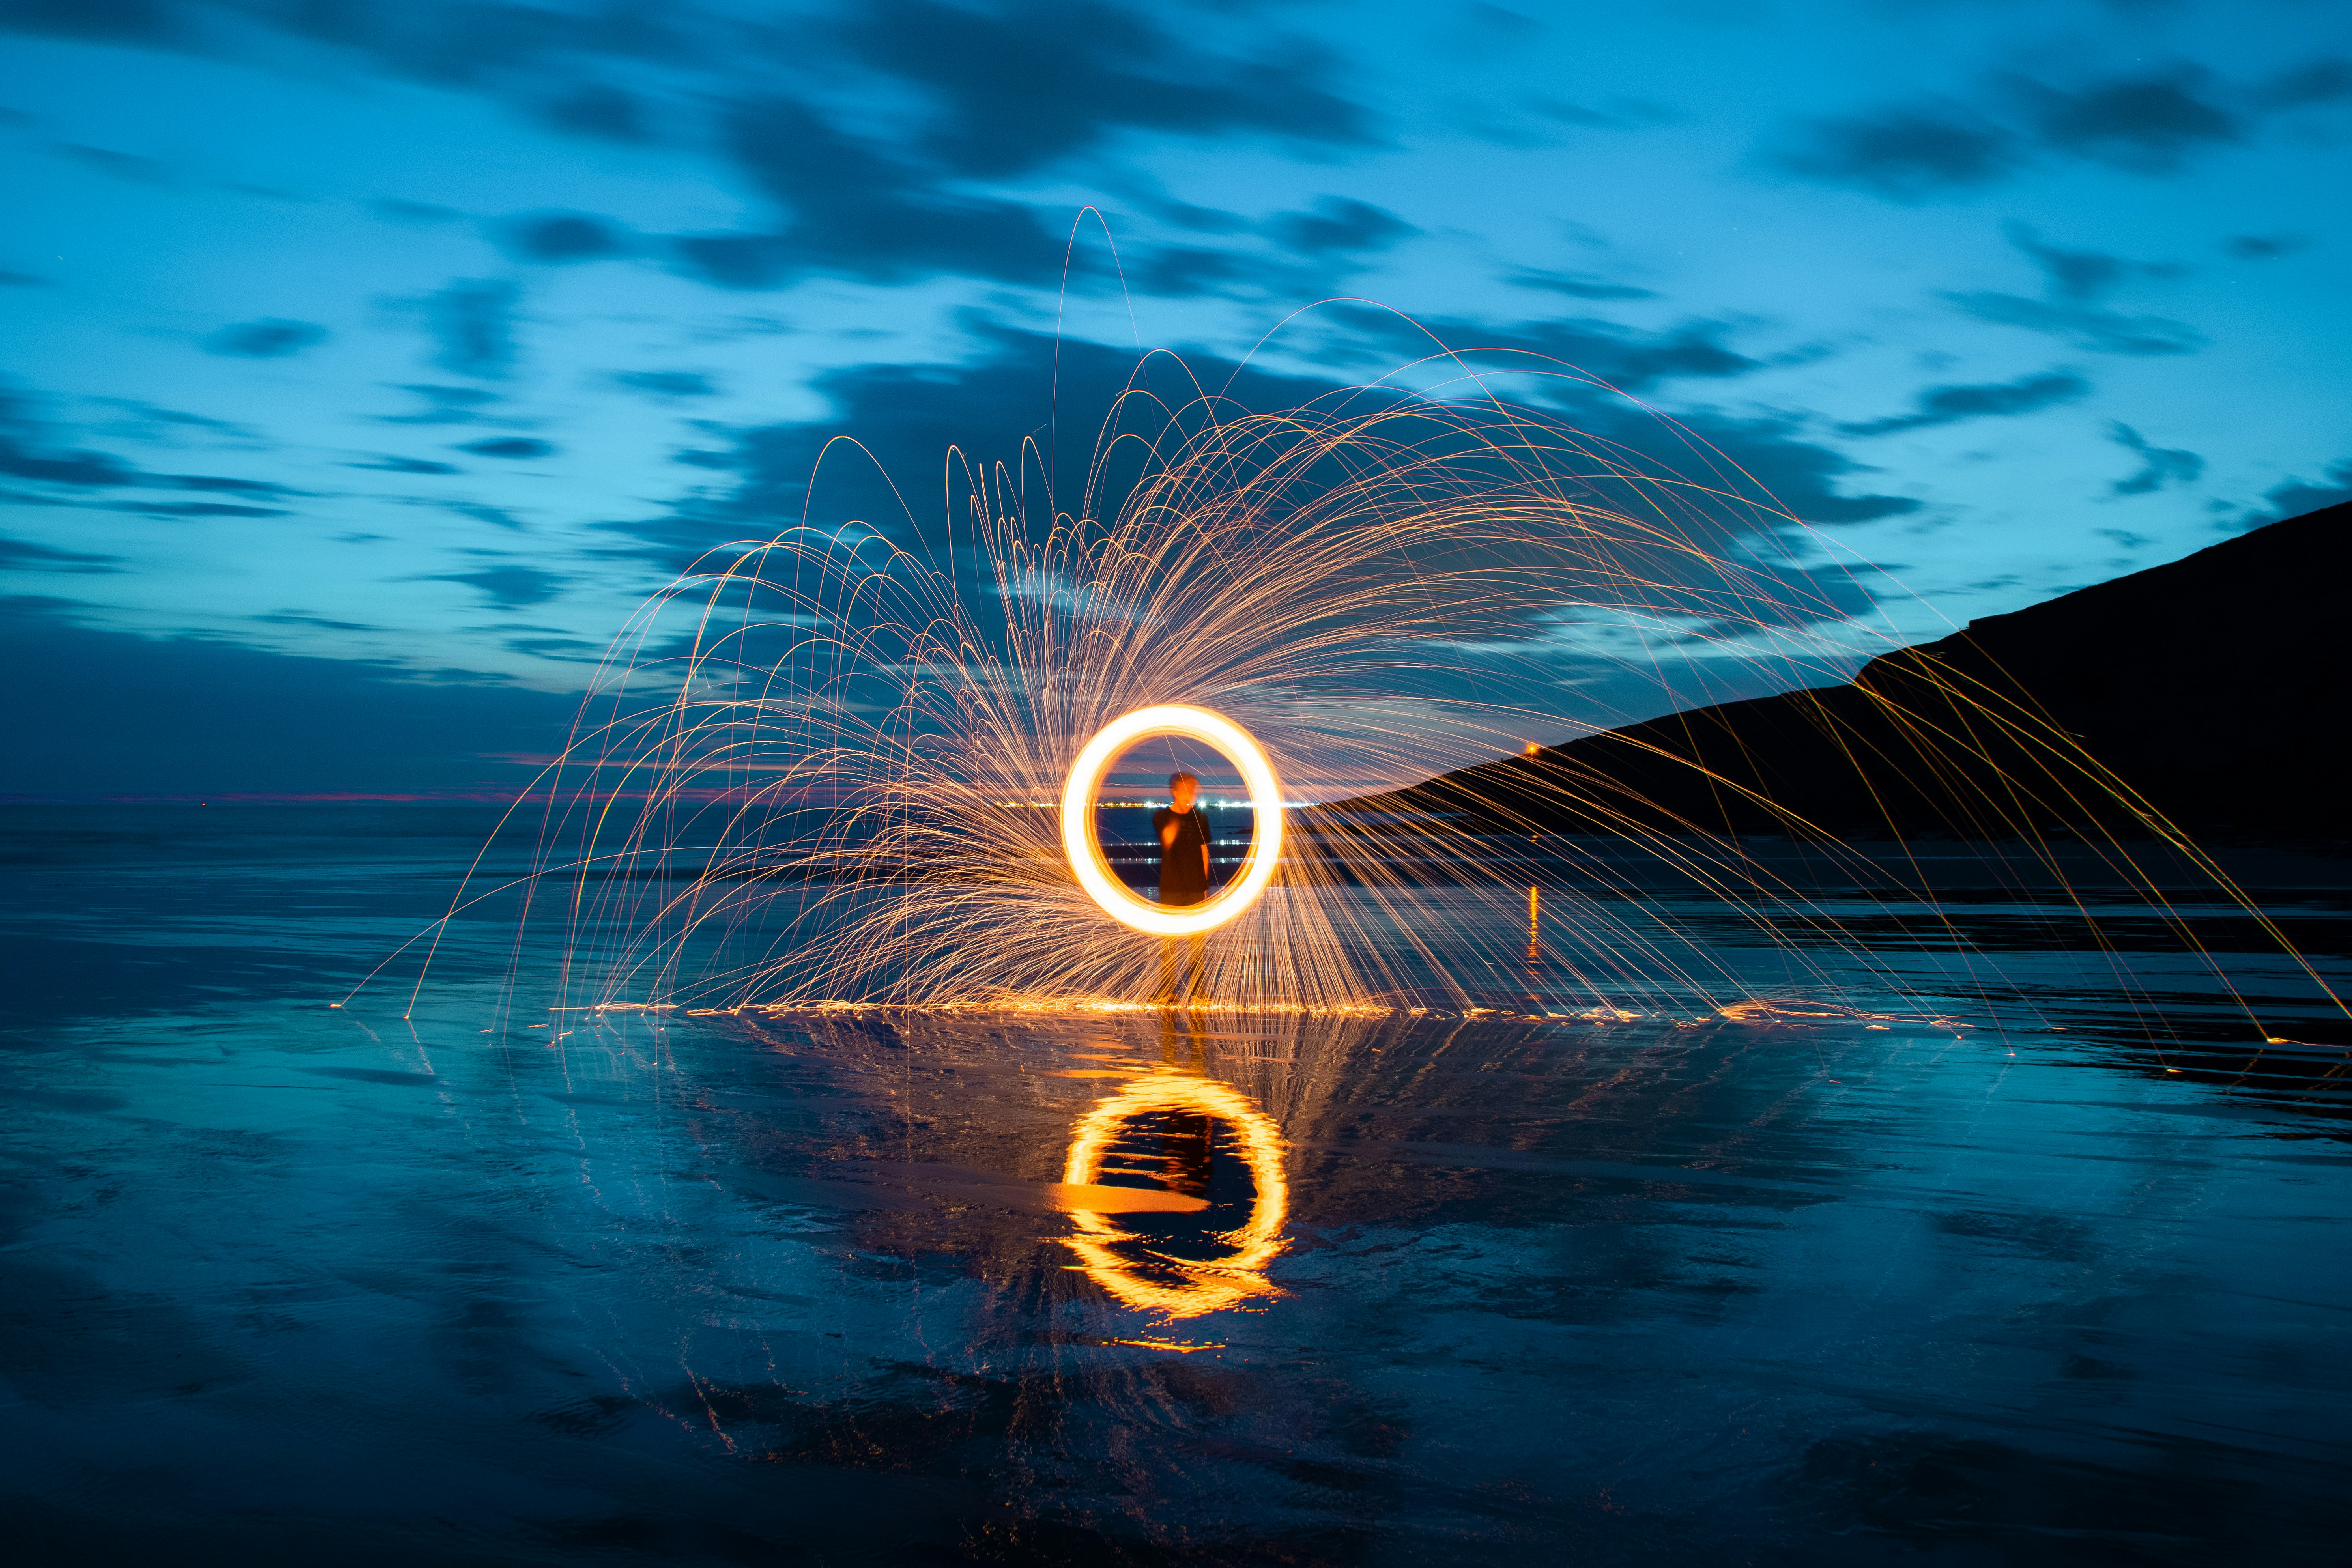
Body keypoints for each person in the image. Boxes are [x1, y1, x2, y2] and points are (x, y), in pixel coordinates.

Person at [1152, 770, 1212, 1004]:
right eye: (1187, 789)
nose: (1192, 794)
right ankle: (1168, 992)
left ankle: (1198, 993)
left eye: (1194, 790)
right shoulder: (1161, 816)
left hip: (1196, 886)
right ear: (1175, 791)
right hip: (1171, 887)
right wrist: (1179, 817)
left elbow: (1204, 850)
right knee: (1170, 944)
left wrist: (1206, 886)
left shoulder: (1201, 817)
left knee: (1197, 945)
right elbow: (1167, 841)